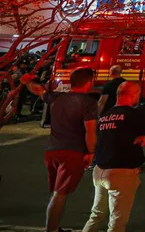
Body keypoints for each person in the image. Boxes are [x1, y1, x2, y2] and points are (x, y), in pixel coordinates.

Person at [22, 67, 97, 232]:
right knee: (60, 194)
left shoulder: (57, 97)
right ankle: (51, 230)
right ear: (89, 83)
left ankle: (55, 227)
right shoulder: (88, 103)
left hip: (52, 151)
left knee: (57, 192)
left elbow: (39, 90)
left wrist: (27, 80)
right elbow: (90, 131)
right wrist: (91, 153)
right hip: (72, 152)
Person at [82, 81, 145, 232]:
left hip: (100, 169)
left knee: (97, 215)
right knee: (117, 221)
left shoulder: (106, 116)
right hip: (122, 172)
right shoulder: (135, 114)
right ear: (134, 95)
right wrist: (144, 136)